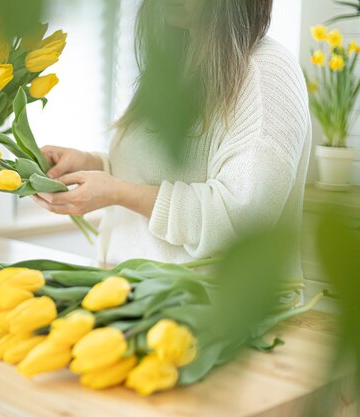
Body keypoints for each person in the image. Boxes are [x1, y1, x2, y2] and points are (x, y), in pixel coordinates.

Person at [32, 0, 311, 271]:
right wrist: (90, 164)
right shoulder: (176, 62)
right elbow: (155, 173)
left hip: (215, 311)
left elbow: (240, 224)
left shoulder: (267, 73)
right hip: (132, 294)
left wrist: (116, 192)